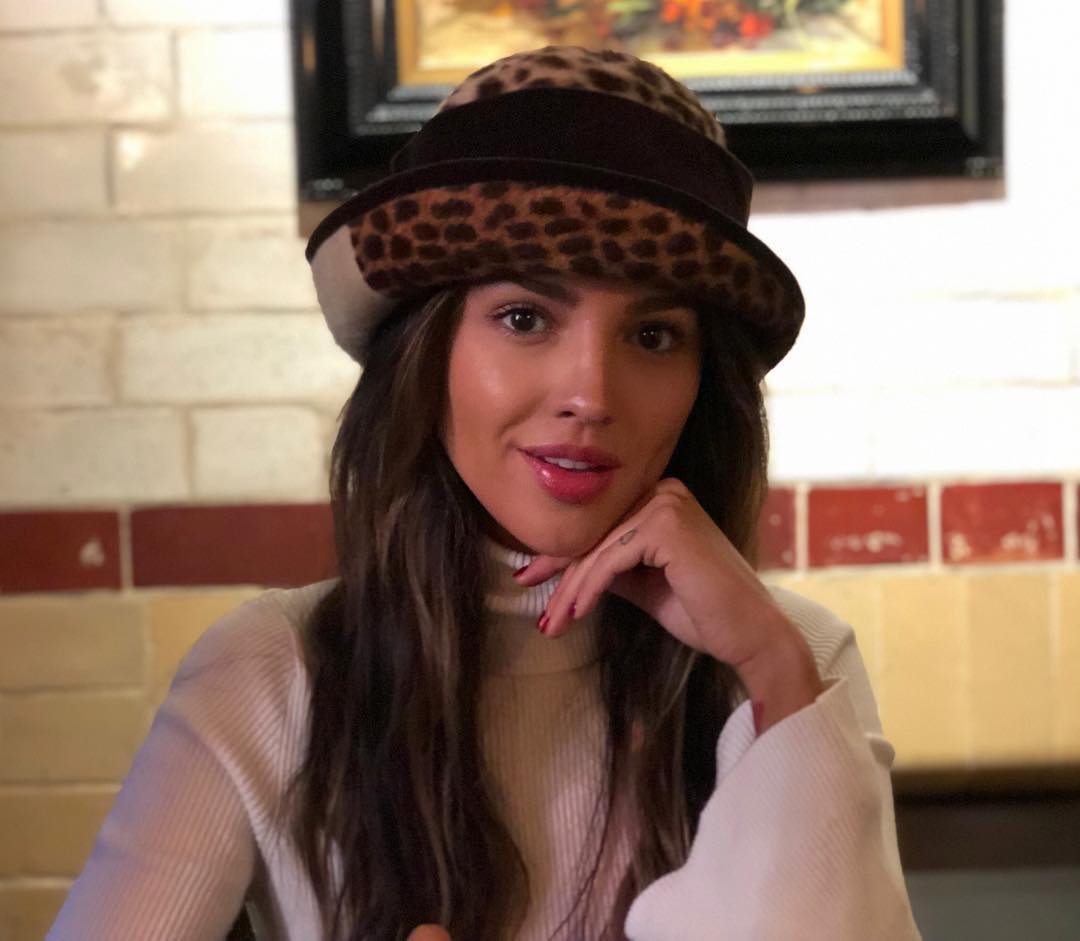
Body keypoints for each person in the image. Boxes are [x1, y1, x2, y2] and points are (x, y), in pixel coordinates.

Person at [48, 45, 922, 941]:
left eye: (653, 335)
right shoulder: (275, 670)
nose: (591, 393)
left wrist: (772, 668)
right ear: (426, 354)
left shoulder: (796, 660)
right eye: (524, 317)